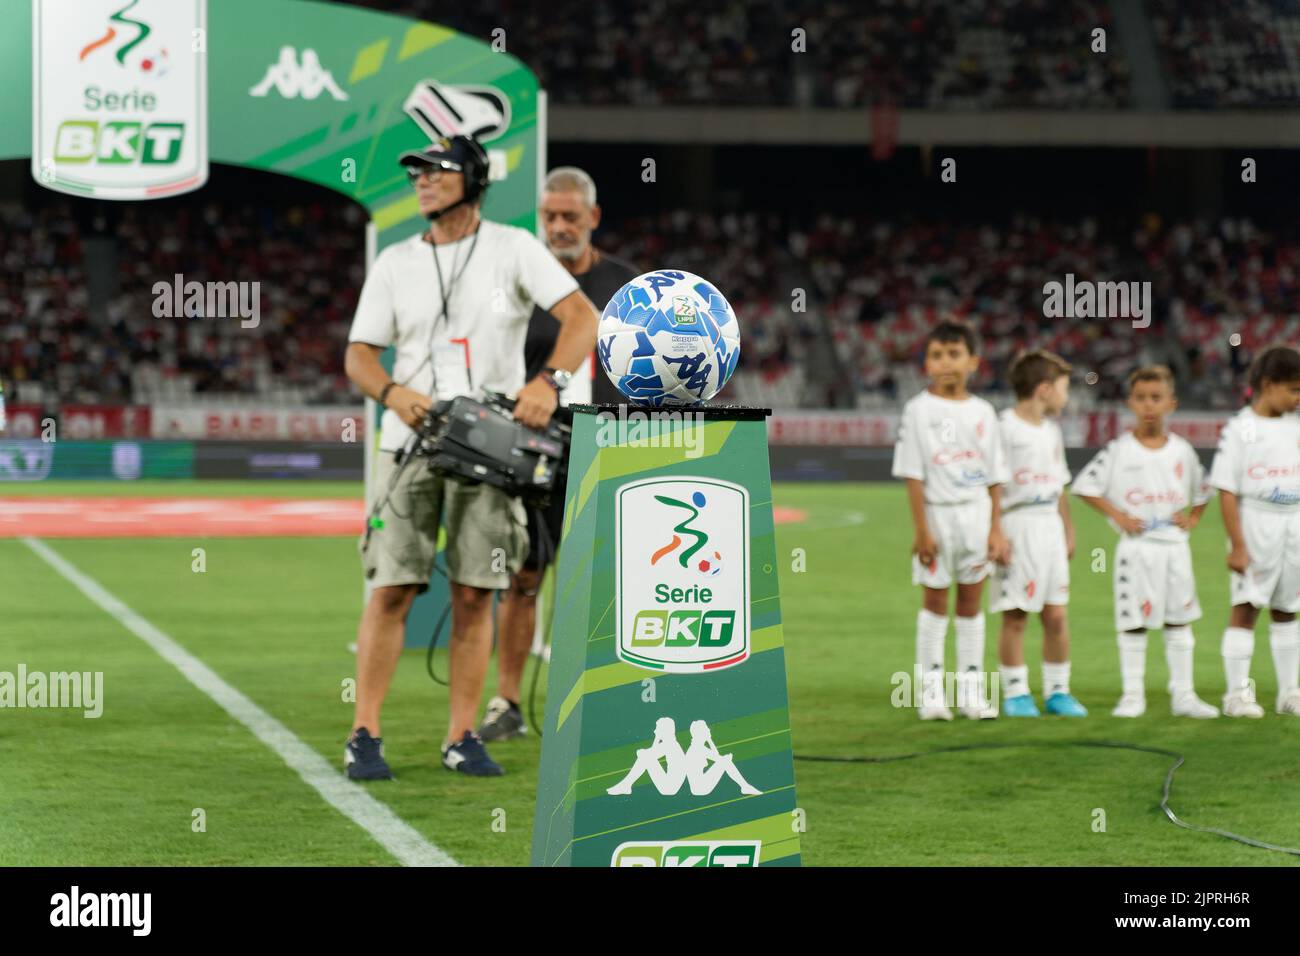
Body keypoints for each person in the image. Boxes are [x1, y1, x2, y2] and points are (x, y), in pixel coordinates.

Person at [341, 136, 599, 779]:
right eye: (417, 172)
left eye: (436, 171)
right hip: (409, 443)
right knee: (392, 587)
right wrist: (392, 392)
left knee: (476, 592)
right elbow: (359, 354)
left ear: (474, 179)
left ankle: (461, 735)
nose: (422, 181)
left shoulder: (514, 247)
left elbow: (582, 318)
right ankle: (364, 733)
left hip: (490, 448)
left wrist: (549, 384)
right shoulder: (396, 261)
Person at [478, 166, 639, 742]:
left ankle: (609, 701)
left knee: (614, 583)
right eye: (549, 216)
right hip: (535, 455)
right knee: (525, 575)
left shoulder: (628, 286)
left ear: (593, 217)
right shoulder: (521, 285)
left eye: (571, 216)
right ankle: (506, 702)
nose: (559, 226)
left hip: (611, 452)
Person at [1072, 366, 1219, 719]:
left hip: (1174, 547)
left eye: (1156, 398)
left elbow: (1205, 487)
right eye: (1141, 398)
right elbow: (1084, 486)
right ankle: (1132, 695)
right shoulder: (1119, 450)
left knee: (1179, 619)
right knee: (1133, 620)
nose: (1149, 405)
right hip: (1136, 549)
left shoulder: (1182, 450)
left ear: (1171, 402)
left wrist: (1195, 517)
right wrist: (1117, 515)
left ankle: (1184, 695)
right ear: (1130, 403)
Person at [892, 319, 1009, 721]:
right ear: (926, 363)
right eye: (937, 355)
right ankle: (930, 693)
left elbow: (995, 476)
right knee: (936, 601)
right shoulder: (918, 410)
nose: (946, 362)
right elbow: (913, 473)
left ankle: (972, 694)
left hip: (976, 517)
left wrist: (996, 528)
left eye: (954, 354)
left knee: (972, 603)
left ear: (973, 361)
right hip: (938, 517)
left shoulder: (984, 412)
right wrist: (921, 529)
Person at [990, 350, 1086, 717]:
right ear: (1044, 389)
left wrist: (1069, 528)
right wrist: (995, 530)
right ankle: (1015, 692)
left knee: (1056, 615)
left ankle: (1058, 691)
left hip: (1049, 525)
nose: (1067, 396)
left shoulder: (1051, 430)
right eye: (1064, 388)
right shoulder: (1004, 428)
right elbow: (993, 484)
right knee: (1016, 614)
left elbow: (1060, 483)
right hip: (1018, 523)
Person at [1207, 344, 1300, 718]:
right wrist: (1238, 546)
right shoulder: (1241, 429)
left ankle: (1289, 693)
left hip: (1294, 521)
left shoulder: (1296, 425)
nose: (1298, 397)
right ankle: (1237, 695)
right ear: (1267, 385)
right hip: (1257, 520)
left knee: (1288, 609)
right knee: (1246, 608)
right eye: (1293, 389)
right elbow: (1226, 489)